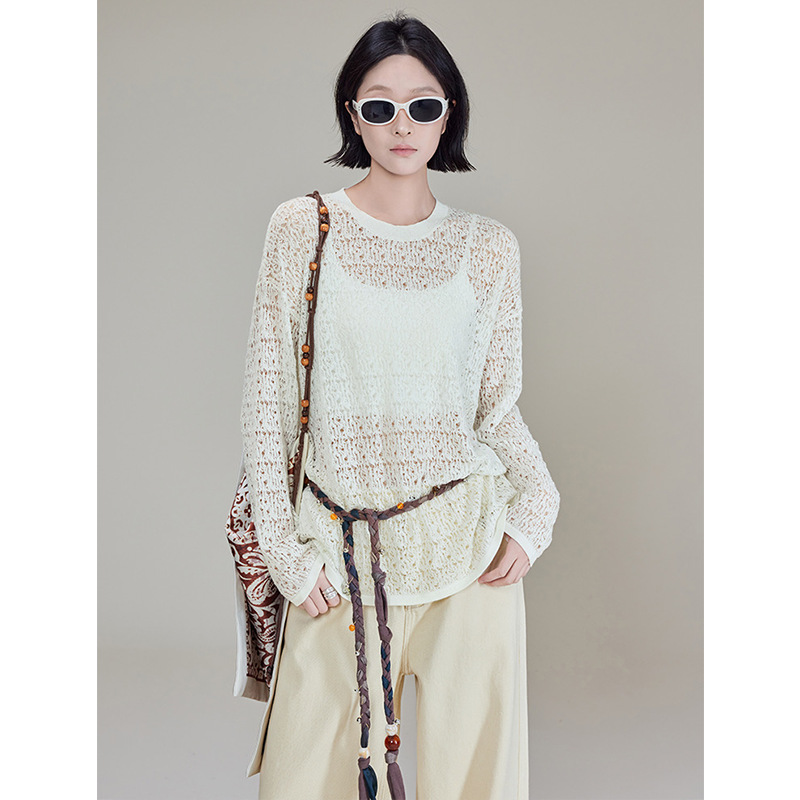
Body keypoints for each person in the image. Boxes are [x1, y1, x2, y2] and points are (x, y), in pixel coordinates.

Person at [239, 12, 561, 800]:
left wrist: (538, 509)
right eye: (380, 106)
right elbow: (266, 404)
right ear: (353, 115)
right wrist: (284, 552)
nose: (403, 124)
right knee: (303, 782)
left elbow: (496, 408)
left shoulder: (489, 248)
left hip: (469, 553)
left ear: (449, 114)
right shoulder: (302, 228)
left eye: (424, 105)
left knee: (480, 786)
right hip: (334, 554)